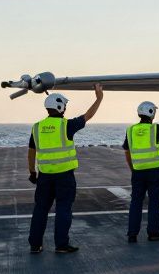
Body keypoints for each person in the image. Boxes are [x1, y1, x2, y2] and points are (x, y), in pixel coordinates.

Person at [27, 85, 103, 255]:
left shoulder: (37, 127)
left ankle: (35, 245)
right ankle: (61, 244)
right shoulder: (66, 125)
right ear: (60, 107)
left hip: (44, 176)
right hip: (64, 177)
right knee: (63, 209)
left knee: (40, 210)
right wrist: (99, 98)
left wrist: (32, 172)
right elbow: (88, 115)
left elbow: (31, 152)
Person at [122, 101, 159, 243]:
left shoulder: (130, 130)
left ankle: (132, 234)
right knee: (154, 203)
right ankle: (153, 233)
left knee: (135, 202)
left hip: (138, 173)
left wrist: (133, 168)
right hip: (154, 173)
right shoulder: (155, 129)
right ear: (152, 113)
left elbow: (127, 152)